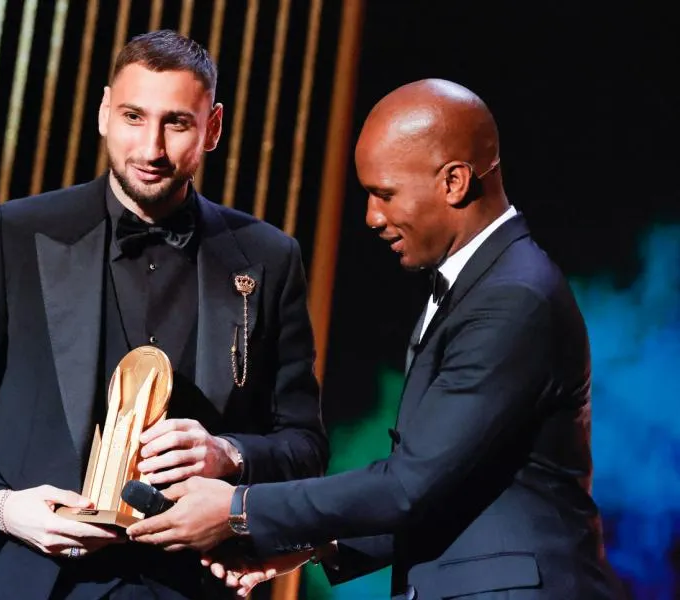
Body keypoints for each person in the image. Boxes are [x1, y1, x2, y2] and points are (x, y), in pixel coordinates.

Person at [126, 78, 626, 600]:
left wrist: (238, 509)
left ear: (454, 182)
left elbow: (411, 484)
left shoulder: (513, 297)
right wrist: (312, 546)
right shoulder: (483, 285)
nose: (372, 217)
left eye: (384, 194)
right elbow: (456, 481)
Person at [0, 29, 328, 600]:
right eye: (132, 116)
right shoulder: (17, 234)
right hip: (28, 578)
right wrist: (2, 508)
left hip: (189, 584)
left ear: (213, 128)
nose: (150, 148)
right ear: (104, 112)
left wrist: (229, 454)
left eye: (176, 123)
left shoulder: (269, 258)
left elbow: (304, 445)